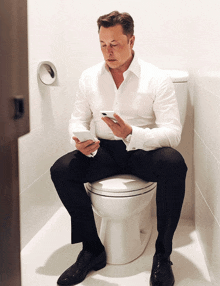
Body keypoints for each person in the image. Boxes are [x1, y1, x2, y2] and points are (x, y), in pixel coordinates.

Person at [50, 11, 187, 286]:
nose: (108, 51)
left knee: (174, 163)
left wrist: (131, 134)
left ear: (131, 40)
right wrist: (80, 140)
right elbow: (77, 118)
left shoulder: (156, 78)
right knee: (62, 170)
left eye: (115, 43)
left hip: (142, 151)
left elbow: (173, 133)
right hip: (104, 151)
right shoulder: (89, 77)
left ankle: (163, 255)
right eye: (102, 44)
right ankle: (92, 249)